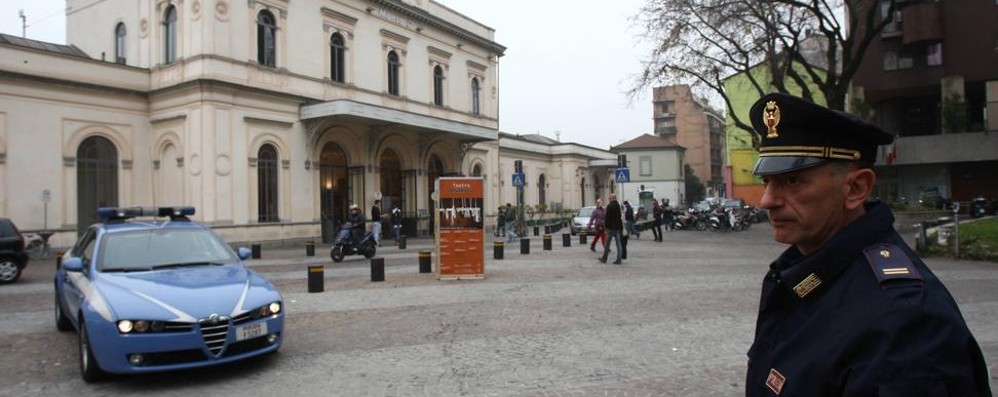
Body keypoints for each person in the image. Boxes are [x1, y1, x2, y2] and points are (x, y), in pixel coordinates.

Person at [744, 93, 991, 396]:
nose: (767, 200)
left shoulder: (906, 324)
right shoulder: (804, 275)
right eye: (766, 182)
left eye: (792, 181)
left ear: (856, 188)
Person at [599, 194, 623, 264]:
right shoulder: (618, 205)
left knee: (607, 244)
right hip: (618, 227)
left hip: (610, 228)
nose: (608, 199)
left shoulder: (609, 206)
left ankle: (604, 258)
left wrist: (606, 227)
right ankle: (619, 259)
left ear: (612, 199)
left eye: (609, 198)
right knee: (619, 244)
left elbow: (607, 218)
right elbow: (620, 215)